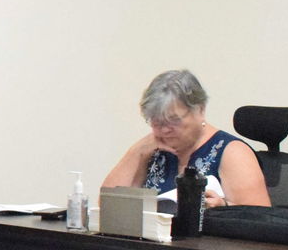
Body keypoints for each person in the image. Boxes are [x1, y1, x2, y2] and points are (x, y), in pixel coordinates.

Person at [101, 69, 270, 207]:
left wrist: (223, 207)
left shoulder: (232, 152)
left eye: (174, 120)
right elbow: (107, 206)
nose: (165, 130)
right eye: (157, 122)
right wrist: (137, 151)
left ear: (200, 110)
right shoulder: (152, 149)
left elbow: (261, 220)